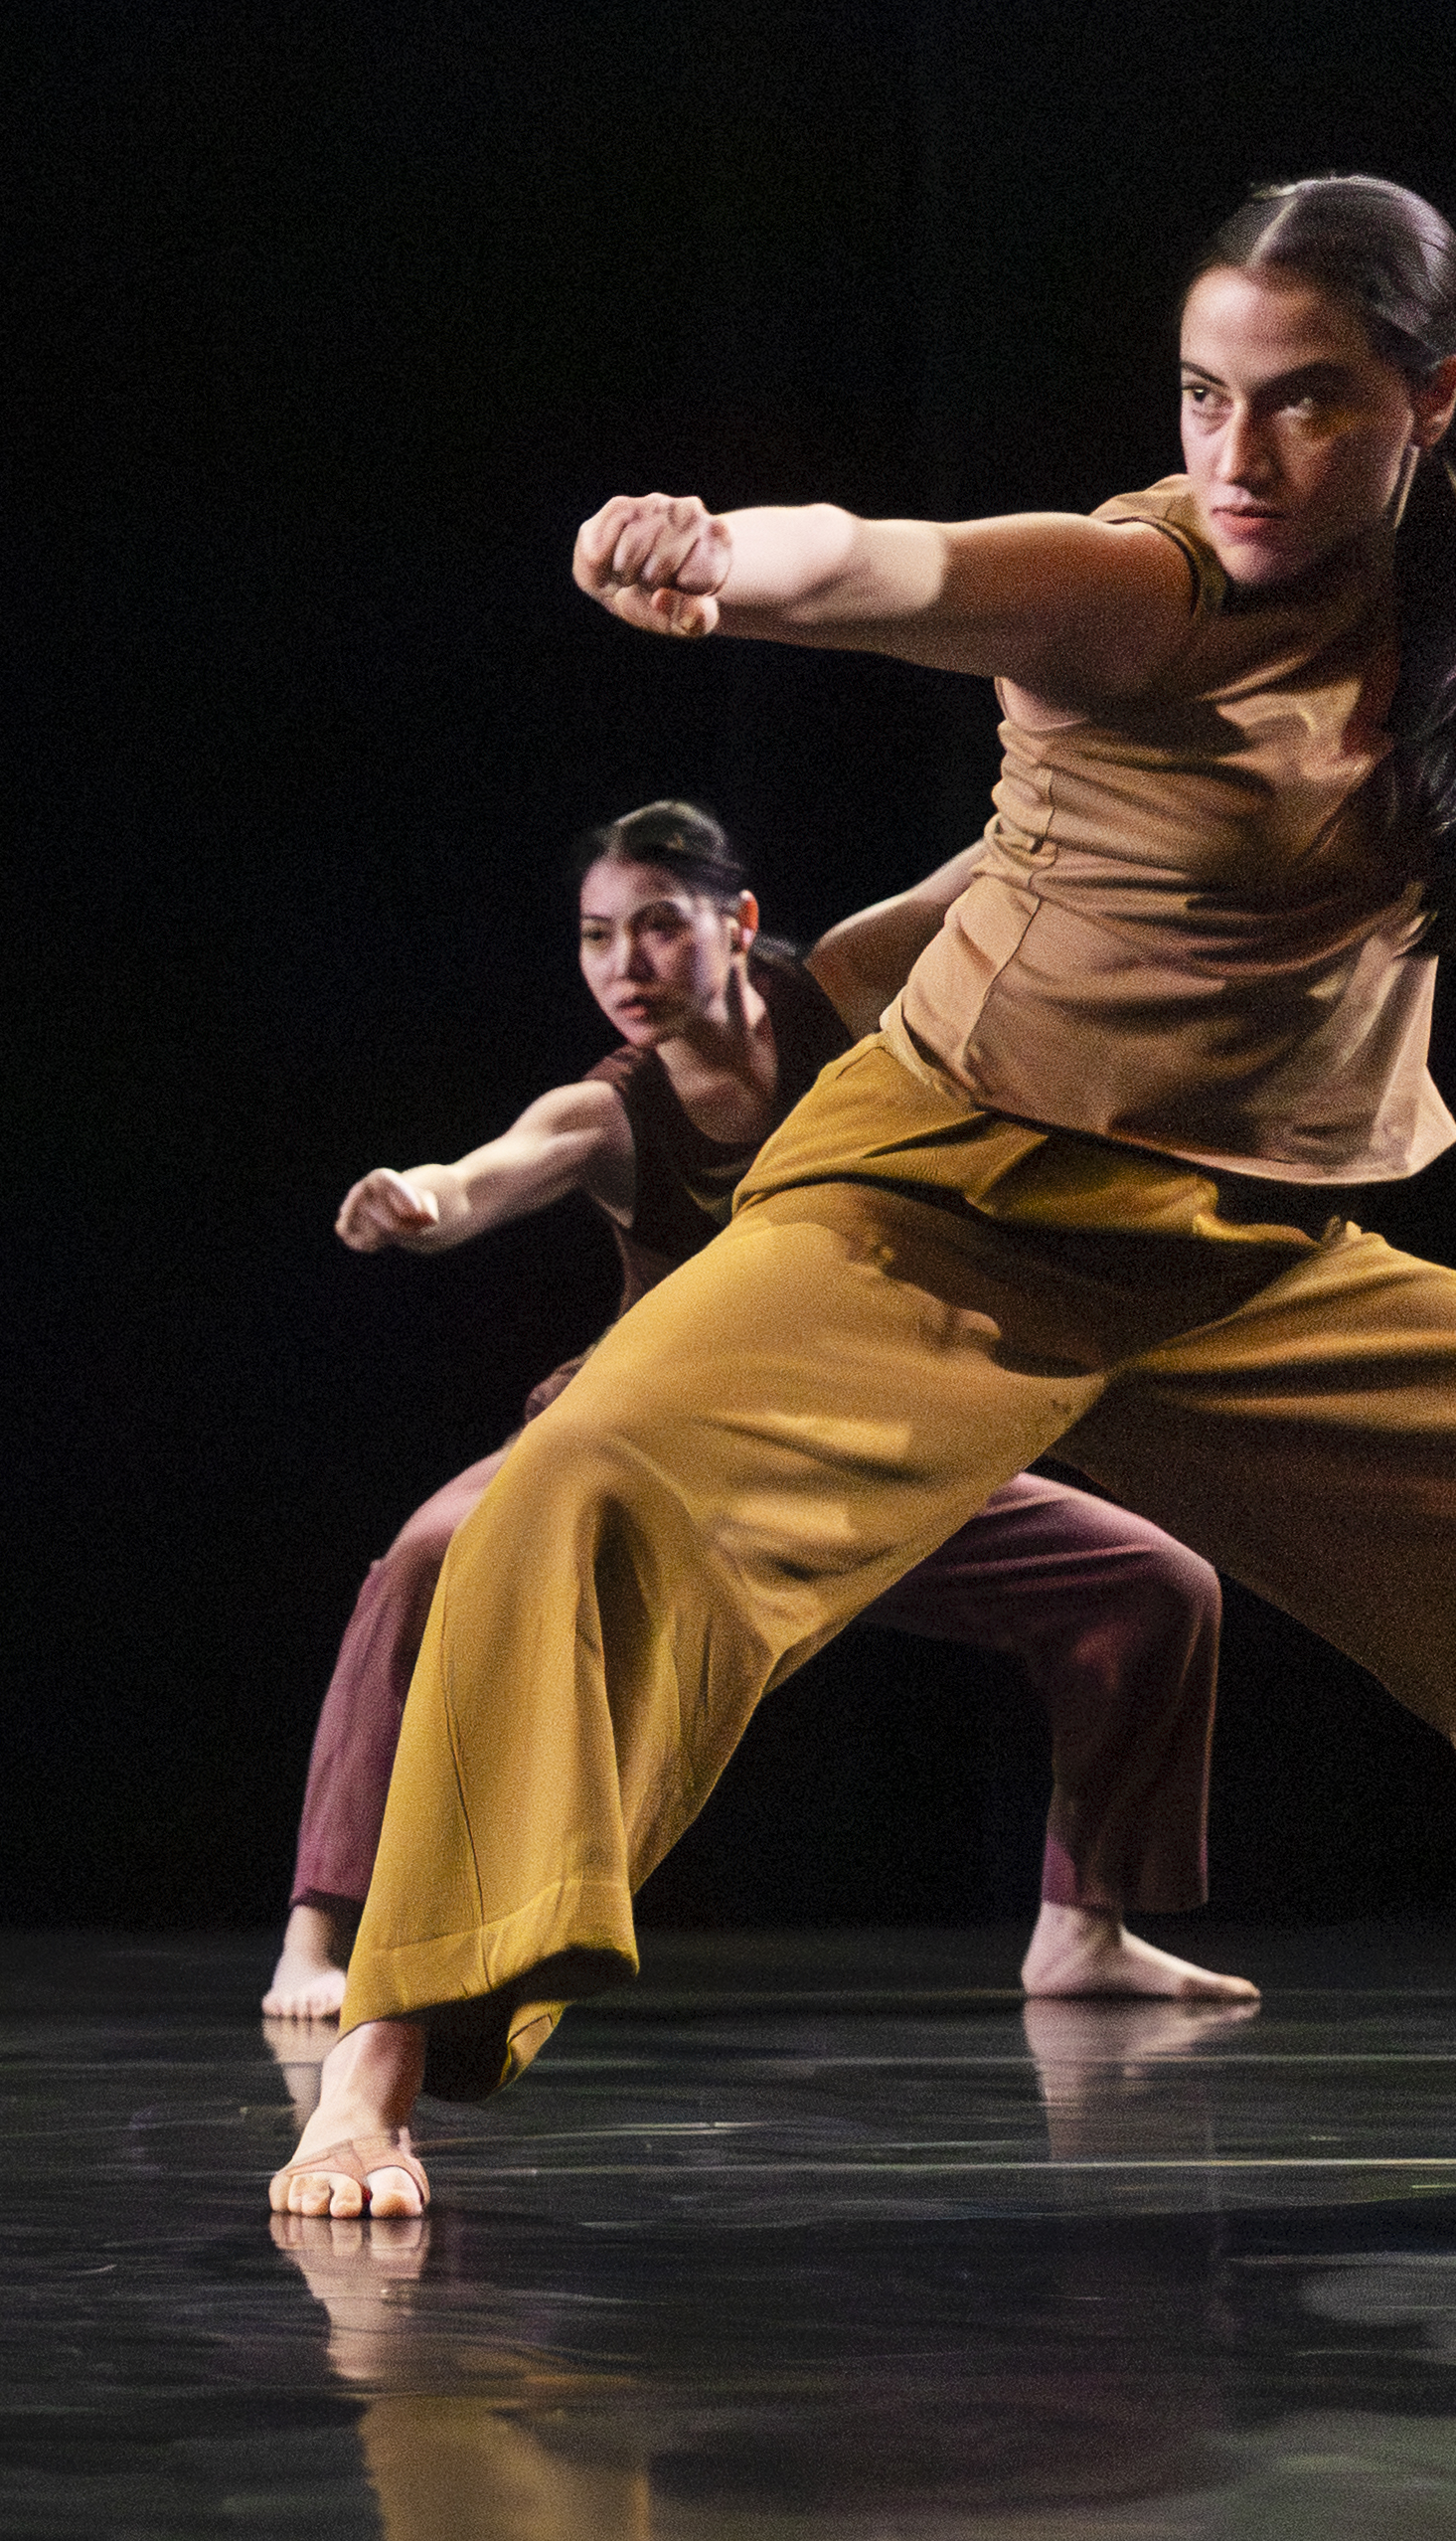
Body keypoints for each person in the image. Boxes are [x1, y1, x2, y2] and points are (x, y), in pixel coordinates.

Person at [280, 0, 1456, 2217]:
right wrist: (722, 560)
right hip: (933, 1211)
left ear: (1429, 404)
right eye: (1202, 393)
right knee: (583, 1502)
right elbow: (892, 563)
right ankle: (368, 2074)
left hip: (1240, 1256)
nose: (1241, 448)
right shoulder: (1133, 583)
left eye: (1305, 397)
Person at [274, 800, 1249, 2024]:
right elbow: (483, 1174)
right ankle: (318, 1935)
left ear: (737, 923)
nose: (623, 967)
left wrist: (1132, 762)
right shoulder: (609, 1110)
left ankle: (1081, 1930)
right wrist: (420, 1200)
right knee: (425, 1558)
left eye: (656, 928)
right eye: (594, 938)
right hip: (648, 1449)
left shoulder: (829, 993)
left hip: (847, 1445)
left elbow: (997, 864)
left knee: (1153, 1589)